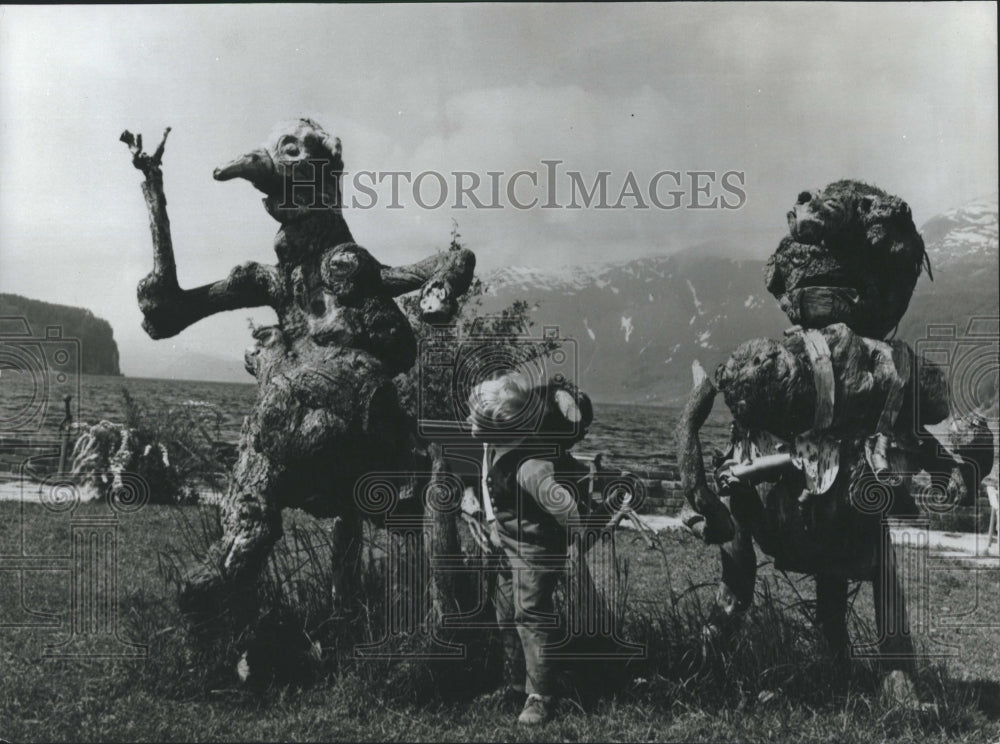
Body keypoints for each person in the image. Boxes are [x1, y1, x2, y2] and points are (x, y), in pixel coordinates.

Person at [467, 372, 594, 726]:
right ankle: (514, 682)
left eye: (474, 416)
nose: (467, 420)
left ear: (500, 426)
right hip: (509, 544)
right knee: (506, 611)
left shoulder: (529, 467)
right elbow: (485, 478)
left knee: (531, 615)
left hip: (535, 549)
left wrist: (576, 539)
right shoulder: (493, 446)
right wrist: (493, 524)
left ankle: (541, 695)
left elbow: (564, 505)